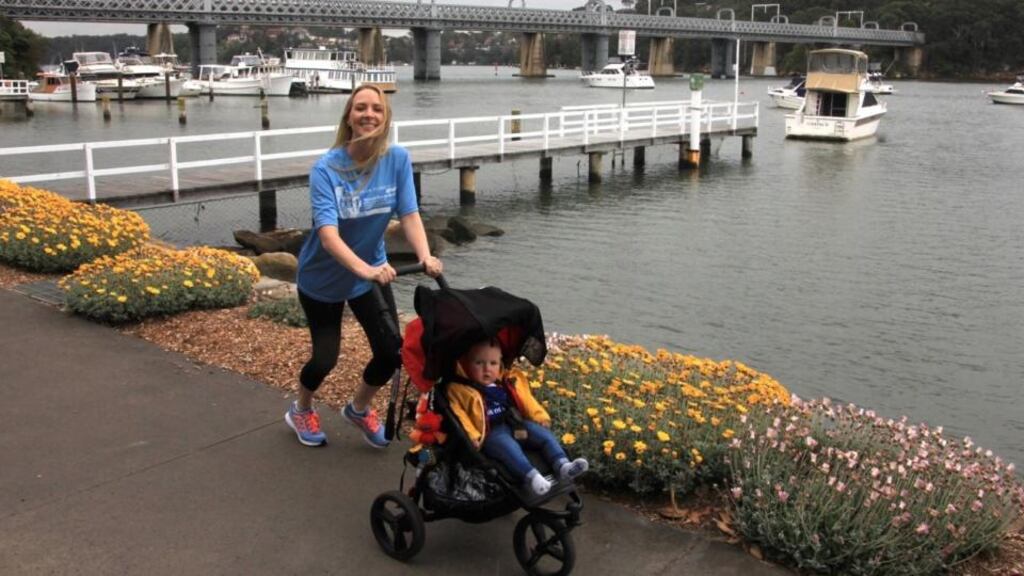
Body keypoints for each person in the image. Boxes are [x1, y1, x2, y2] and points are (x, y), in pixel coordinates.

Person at [285, 84, 442, 448]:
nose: (368, 114)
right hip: (324, 278)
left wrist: (424, 255)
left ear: (385, 118)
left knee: (391, 352)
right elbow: (328, 236)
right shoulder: (326, 170)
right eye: (360, 108)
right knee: (325, 358)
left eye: (376, 108)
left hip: (369, 273)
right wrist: (366, 270)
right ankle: (301, 409)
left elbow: (409, 213)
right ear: (349, 118)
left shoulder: (397, 159)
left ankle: (358, 408)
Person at [448, 338, 588, 495]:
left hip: (516, 423)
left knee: (544, 436)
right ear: (466, 364)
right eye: (479, 363)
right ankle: (532, 477)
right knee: (509, 448)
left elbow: (527, 401)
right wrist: (472, 435)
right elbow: (459, 415)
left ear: (500, 363)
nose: (487, 369)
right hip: (491, 432)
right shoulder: (459, 389)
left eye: (493, 363)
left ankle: (563, 466)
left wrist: (540, 416)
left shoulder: (506, 381)